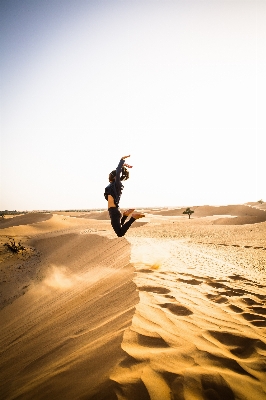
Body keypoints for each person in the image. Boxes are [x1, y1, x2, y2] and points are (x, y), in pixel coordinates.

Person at [104, 155, 145, 237]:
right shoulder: (111, 185)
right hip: (114, 211)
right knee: (120, 228)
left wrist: (121, 161)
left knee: (120, 233)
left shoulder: (116, 184)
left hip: (114, 212)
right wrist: (122, 166)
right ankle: (125, 215)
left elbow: (118, 172)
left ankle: (133, 218)